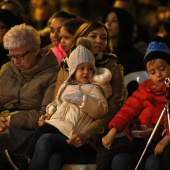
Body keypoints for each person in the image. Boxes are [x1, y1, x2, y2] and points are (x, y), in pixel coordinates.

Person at [22, 21, 125, 170]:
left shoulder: (113, 69)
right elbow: (58, 100)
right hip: (63, 129)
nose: (99, 41)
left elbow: (113, 111)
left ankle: (24, 164)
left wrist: (86, 134)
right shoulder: (67, 65)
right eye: (93, 36)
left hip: (91, 139)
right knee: (53, 156)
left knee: (47, 140)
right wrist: (49, 116)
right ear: (81, 38)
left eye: (103, 38)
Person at [5, 37, 112, 170]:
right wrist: (51, 111)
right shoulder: (67, 87)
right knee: (53, 155)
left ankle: (25, 159)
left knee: (45, 138)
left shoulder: (94, 88)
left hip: (76, 139)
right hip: (60, 130)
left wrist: (83, 100)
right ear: (73, 70)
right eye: (81, 68)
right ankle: (26, 159)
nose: (86, 72)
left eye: (90, 69)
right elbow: (59, 104)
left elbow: (102, 109)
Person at [96, 36, 170, 170]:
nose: (158, 74)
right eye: (152, 72)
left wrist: (167, 138)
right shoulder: (144, 89)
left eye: (163, 69)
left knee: (154, 162)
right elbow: (128, 110)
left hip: (161, 137)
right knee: (109, 154)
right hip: (140, 138)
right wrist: (113, 131)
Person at [0, 23, 59, 169]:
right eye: (11, 56)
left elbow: (47, 114)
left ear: (35, 50)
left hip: (30, 130)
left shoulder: (53, 74)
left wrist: (11, 120)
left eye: (19, 56)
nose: (15, 61)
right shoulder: (6, 69)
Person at [102, 7, 145, 97]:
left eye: (114, 21)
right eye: (106, 20)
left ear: (123, 24)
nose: (108, 24)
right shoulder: (100, 54)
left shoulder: (134, 57)